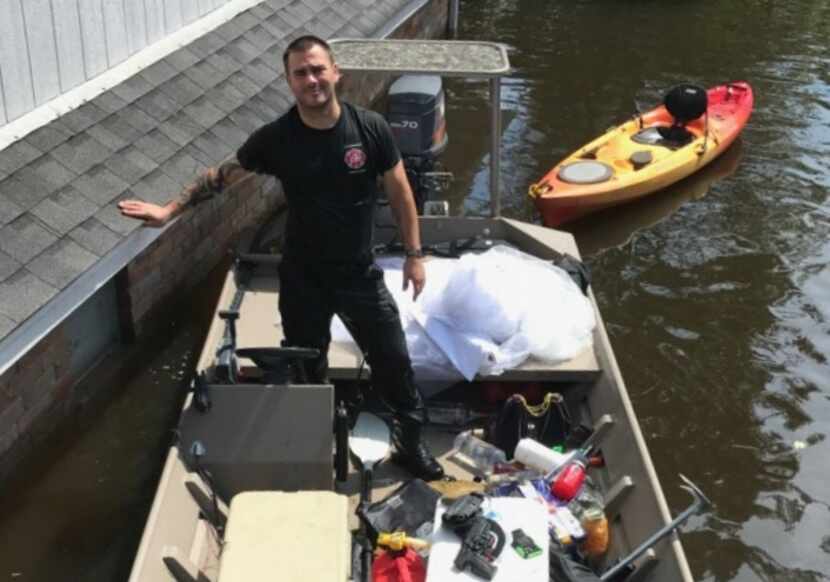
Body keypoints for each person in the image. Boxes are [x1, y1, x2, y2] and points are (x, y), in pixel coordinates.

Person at [119, 35, 444, 481]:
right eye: (300, 73)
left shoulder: (370, 128)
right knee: (308, 366)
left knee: (394, 361)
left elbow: (401, 191)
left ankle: (410, 447)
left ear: (335, 72)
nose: (311, 80)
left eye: (317, 69)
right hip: (302, 278)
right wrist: (169, 211)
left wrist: (414, 255)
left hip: (358, 275)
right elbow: (221, 176)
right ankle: (316, 443)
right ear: (289, 81)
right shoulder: (277, 139)